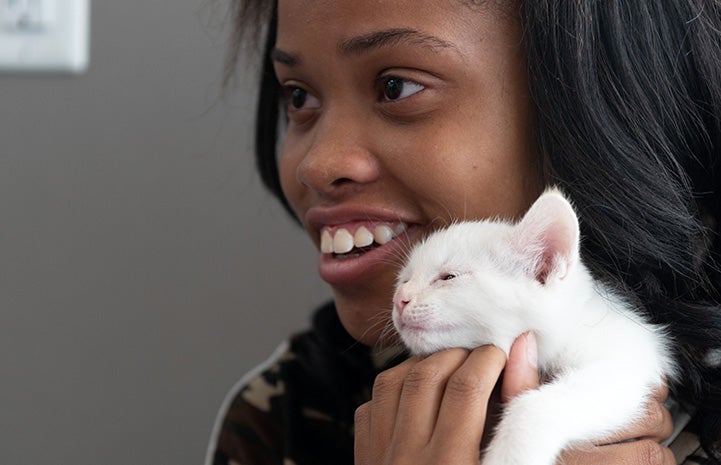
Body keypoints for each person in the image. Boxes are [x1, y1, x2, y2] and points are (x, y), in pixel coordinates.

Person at [205, 1, 721, 464]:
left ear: (600, 105)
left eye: (396, 86)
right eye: (298, 97)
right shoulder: (285, 418)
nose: (316, 165)